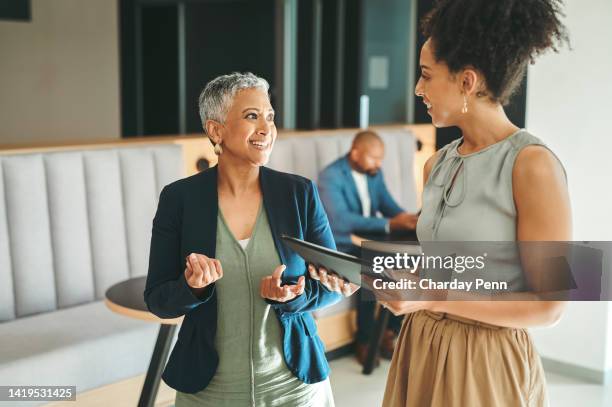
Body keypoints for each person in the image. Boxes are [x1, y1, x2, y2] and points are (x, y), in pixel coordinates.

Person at [379, 1, 571, 406]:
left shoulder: (532, 165)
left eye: (426, 76)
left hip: (486, 360)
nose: (418, 89)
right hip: (421, 344)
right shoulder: (436, 164)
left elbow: (550, 307)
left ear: (467, 81)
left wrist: (432, 296)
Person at [144, 72, 357, 407]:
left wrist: (290, 298)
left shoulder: (298, 194)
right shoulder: (179, 199)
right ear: (216, 130)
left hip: (294, 388)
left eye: (270, 117)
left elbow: (332, 283)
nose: (266, 129)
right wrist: (193, 288)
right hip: (210, 393)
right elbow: (158, 299)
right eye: (251, 116)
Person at [317, 130, 418, 365]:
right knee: (372, 266)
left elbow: (386, 203)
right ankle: (364, 339)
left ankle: (388, 330)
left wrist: (406, 218)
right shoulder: (330, 176)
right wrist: (389, 223)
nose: (378, 164)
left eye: (381, 159)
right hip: (341, 243)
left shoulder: (374, 173)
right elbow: (340, 220)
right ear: (355, 153)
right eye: (374, 158)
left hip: (369, 240)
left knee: (407, 264)